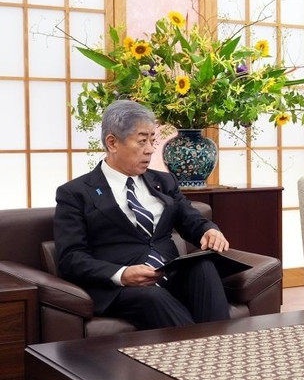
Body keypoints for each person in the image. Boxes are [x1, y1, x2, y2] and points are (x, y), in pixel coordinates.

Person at [54, 100, 231, 330]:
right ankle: (201, 358)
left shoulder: (164, 181)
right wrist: (122, 274)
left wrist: (209, 229)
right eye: (142, 141)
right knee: (152, 297)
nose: (150, 149)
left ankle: (225, 349)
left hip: (170, 273)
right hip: (122, 288)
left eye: (152, 140)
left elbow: (191, 219)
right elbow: (71, 258)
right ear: (112, 142)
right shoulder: (76, 193)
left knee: (204, 267)